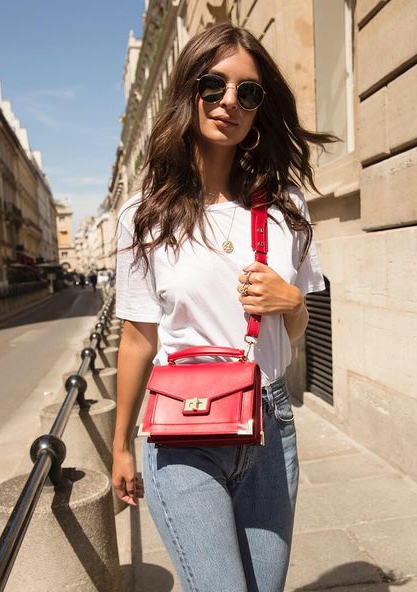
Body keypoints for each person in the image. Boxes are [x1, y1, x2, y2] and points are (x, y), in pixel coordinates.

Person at [112, 23, 337, 592]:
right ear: (188, 90)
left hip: (269, 424)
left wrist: (290, 301)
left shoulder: (285, 207)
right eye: (213, 86)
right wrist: (119, 447)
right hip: (181, 431)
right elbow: (138, 336)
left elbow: (297, 325)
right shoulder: (144, 216)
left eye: (248, 92)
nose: (229, 102)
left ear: (261, 108)